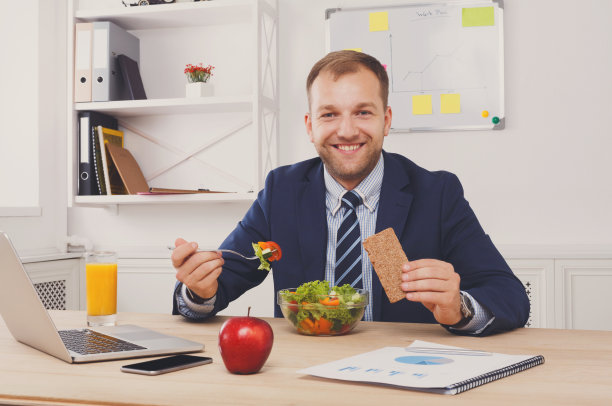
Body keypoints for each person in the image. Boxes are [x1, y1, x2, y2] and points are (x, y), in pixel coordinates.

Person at [171, 50, 529, 336]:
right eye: (329, 114)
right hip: (304, 376)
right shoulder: (282, 191)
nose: (346, 130)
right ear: (310, 126)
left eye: (362, 112)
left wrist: (459, 307)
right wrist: (199, 291)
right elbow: (224, 279)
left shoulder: (436, 193)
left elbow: (510, 295)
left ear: (386, 120)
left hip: (403, 372)